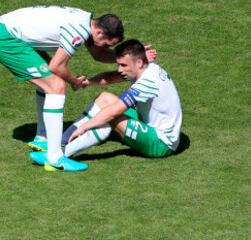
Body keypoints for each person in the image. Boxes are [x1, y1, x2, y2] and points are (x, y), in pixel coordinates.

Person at [0, 5, 127, 172]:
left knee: (52, 82)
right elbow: (57, 66)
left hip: (7, 30)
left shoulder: (87, 22)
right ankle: (55, 158)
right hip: (6, 39)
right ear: (99, 33)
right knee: (57, 85)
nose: (105, 47)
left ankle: (42, 138)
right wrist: (74, 81)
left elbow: (99, 55)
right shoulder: (79, 30)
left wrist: (133, 58)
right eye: (106, 44)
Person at [29, 39, 182, 169]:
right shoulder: (147, 69)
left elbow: (113, 111)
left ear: (139, 62)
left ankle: (58, 157)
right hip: (148, 123)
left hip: (161, 143)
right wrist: (87, 82)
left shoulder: (147, 82)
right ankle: (57, 145)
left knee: (108, 117)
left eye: (123, 65)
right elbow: (111, 77)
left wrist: (83, 127)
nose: (119, 69)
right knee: (104, 98)